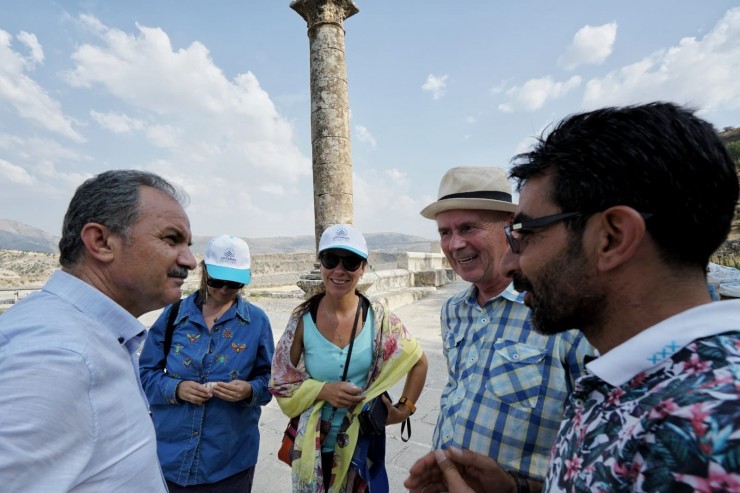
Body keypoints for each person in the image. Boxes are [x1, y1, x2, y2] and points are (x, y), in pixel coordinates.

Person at [405, 102, 740, 493]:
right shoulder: (631, 380)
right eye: (445, 232)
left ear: (612, 237)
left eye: (527, 233)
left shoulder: (710, 433)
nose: (514, 262)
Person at [0, 169, 197, 492]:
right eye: (171, 239)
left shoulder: (90, 338)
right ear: (102, 242)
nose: (189, 261)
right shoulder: (53, 357)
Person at [419, 166, 595, 485]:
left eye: (468, 228)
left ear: (510, 229)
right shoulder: (453, 310)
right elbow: (458, 389)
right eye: (445, 232)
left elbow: (595, 450)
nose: (455, 244)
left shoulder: (560, 315)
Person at [270, 223, 429, 493]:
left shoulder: (378, 319)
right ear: (320, 264)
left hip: (362, 444)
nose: (339, 270)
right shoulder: (302, 320)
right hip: (314, 446)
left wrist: (403, 410)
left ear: (363, 267)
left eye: (351, 262)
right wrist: (323, 390)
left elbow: (419, 361)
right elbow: (280, 381)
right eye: (331, 260)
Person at [139, 234, 275, 492]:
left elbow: (272, 381)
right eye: (217, 280)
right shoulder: (174, 315)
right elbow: (145, 374)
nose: (224, 289)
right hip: (169, 457)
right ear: (203, 270)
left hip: (229, 462)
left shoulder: (257, 322)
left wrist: (249, 391)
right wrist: (176, 389)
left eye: (234, 283)